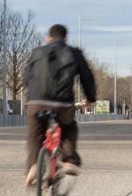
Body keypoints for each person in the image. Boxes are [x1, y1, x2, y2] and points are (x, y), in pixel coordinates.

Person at [24, 23, 97, 187]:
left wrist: (32, 96)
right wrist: (91, 98)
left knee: (35, 133)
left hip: (36, 101)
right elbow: (87, 77)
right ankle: (70, 160)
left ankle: (34, 166)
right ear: (65, 38)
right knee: (69, 127)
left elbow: (25, 78)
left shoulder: (36, 52)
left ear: (48, 38)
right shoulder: (74, 53)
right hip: (62, 103)